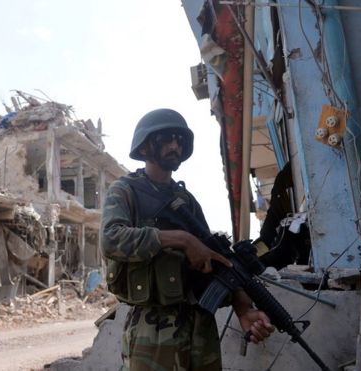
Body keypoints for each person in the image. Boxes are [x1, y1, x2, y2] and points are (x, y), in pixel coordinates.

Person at [101, 109, 275, 370]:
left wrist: (244, 309)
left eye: (179, 140)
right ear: (146, 146)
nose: (175, 145)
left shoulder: (187, 202)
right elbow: (111, 239)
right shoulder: (126, 191)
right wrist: (182, 239)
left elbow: (218, 262)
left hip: (199, 326)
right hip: (154, 327)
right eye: (167, 139)